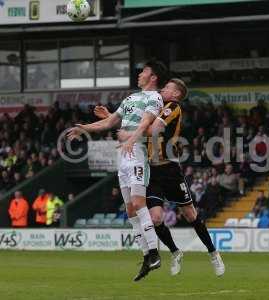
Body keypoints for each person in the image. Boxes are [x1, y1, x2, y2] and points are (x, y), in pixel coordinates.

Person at [94, 78, 225, 280]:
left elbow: (150, 130)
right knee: (155, 218)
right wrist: (113, 117)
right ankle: (175, 252)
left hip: (170, 169)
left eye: (168, 88)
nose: (163, 89)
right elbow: (137, 124)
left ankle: (213, 253)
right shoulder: (153, 105)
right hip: (151, 171)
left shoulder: (172, 107)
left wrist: (124, 133)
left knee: (190, 215)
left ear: (176, 95)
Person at [68, 61, 168, 281]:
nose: (140, 74)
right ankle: (146, 256)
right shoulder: (131, 98)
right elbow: (110, 122)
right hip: (123, 156)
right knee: (130, 210)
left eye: (144, 72)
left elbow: (145, 124)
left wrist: (131, 139)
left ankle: (154, 252)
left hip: (137, 153)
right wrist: (83, 127)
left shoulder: (155, 97)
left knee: (139, 203)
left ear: (153, 78)